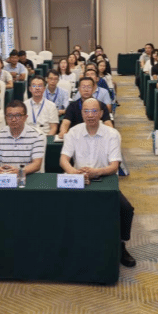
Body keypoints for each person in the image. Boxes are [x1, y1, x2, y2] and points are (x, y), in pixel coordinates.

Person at [60, 98, 136, 268]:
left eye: (94, 111)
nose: (90, 115)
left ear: (101, 114)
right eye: (86, 111)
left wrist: (96, 172)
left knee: (126, 209)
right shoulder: (73, 132)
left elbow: (114, 166)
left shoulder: (112, 134)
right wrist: (74, 172)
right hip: (79, 179)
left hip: (104, 178)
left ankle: (121, 244)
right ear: (81, 113)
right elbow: (63, 159)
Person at [0, 100, 45, 175]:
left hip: (28, 176)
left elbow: (37, 164)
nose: (13, 119)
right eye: (10, 116)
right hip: (5, 177)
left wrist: (20, 171)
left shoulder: (37, 135)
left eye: (18, 115)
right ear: (5, 117)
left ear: (25, 117)